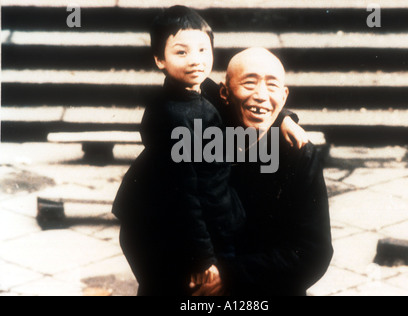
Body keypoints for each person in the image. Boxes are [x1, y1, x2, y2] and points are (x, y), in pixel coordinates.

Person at [112, 6, 307, 296]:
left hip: (186, 218)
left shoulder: (197, 90)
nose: (195, 61)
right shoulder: (174, 117)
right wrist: (206, 260)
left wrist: (284, 118)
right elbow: (186, 198)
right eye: (181, 52)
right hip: (160, 225)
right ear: (159, 59)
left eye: (203, 50)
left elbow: (245, 98)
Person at [192, 48, 334, 296]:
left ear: (285, 95)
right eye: (249, 83)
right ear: (225, 93)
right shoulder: (205, 133)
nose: (260, 95)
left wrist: (231, 275)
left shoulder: (298, 153)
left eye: (271, 86)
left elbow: (313, 252)